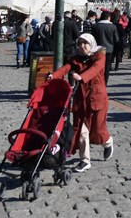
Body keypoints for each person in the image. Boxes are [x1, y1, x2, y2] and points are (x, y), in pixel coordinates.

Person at [47, 33, 113, 173]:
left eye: (85, 43)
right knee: (81, 130)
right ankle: (85, 160)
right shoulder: (75, 58)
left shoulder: (100, 56)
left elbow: (95, 69)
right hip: (80, 99)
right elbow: (65, 68)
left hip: (96, 98)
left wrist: (81, 77)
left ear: (91, 44)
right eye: (80, 43)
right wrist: (54, 76)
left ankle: (107, 142)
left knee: (98, 131)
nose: (82, 46)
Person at [92, 10, 118, 84]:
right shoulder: (113, 26)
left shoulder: (95, 26)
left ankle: (97, 80)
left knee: (97, 65)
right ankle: (105, 81)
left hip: (97, 49)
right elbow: (116, 39)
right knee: (107, 66)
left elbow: (92, 38)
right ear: (108, 18)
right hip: (109, 49)